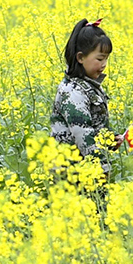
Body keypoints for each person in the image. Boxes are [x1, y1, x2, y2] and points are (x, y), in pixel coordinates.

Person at [49, 19, 114, 162]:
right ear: (80, 57)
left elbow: (96, 125)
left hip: (85, 168)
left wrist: (112, 140)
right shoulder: (73, 92)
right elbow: (83, 135)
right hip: (69, 174)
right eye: (100, 59)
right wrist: (102, 168)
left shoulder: (90, 86)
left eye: (106, 59)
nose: (104, 65)